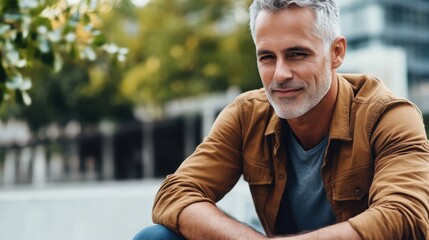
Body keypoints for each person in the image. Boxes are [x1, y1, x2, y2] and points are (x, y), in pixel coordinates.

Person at [134, 0, 429, 239]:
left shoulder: (388, 116)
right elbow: (175, 194)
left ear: (336, 52)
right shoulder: (246, 115)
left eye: (297, 54)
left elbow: (406, 216)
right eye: (267, 57)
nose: (280, 75)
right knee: (155, 237)